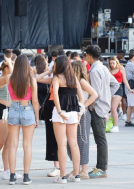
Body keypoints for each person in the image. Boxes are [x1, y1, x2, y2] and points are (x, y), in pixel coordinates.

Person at [84, 45, 119, 179]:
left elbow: (95, 93)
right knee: (100, 138)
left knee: (100, 139)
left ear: (88, 55)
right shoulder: (103, 68)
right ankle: (100, 167)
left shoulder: (94, 71)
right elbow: (116, 84)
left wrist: (94, 102)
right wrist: (107, 96)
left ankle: (102, 168)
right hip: (103, 106)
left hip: (97, 108)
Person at [51, 56, 84, 184]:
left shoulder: (57, 78)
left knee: (62, 145)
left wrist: (59, 111)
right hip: (73, 113)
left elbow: (55, 95)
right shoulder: (74, 78)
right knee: (74, 144)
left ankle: (62, 176)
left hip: (61, 112)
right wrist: (79, 113)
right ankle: (76, 175)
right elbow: (81, 97)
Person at [7, 55, 39, 185]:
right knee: (27, 145)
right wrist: (37, 117)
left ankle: (12, 176)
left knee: (13, 145)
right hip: (27, 109)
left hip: (13, 108)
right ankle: (26, 176)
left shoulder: (11, 79)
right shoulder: (31, 80)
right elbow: (35, 101)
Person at [66, 61, 98, 179]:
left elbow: (94, 94)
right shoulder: (75, 81)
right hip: (75, 113)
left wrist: (83, 106)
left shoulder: (82, 81)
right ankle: (77, 169)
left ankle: (84, 170)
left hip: (82, 114)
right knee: (74, 142)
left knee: (82, 141)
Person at [108, 57, 133, 131]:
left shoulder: (121, 68)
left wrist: (129, 89)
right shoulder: (109, 70)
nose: (112, 65)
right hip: (110, 89)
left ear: (116, 62)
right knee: (109, 108)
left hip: (119, 89)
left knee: (113, 108)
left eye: (113, 63)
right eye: (110, 63)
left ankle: (116, 126)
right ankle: (112, 124)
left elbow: (125, 80)